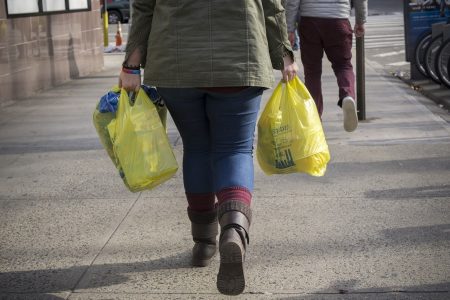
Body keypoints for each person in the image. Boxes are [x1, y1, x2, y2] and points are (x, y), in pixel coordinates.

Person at [119, 0, 298, 296]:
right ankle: (234, 230)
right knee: (235, 149)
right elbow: (272, 5)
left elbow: (143, 7)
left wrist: (132, 64)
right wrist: (284, 55)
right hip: (241, 58)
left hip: (176, 63)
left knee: (197, 147)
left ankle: (203, 243)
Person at [285, 0, 368, 132]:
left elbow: (293, 1)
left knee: (312, 73)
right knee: (343, 66)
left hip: (309, 21)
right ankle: (347, 96)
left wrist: (289, 28)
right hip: (338, 19)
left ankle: (315, 118)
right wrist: (361, 20)